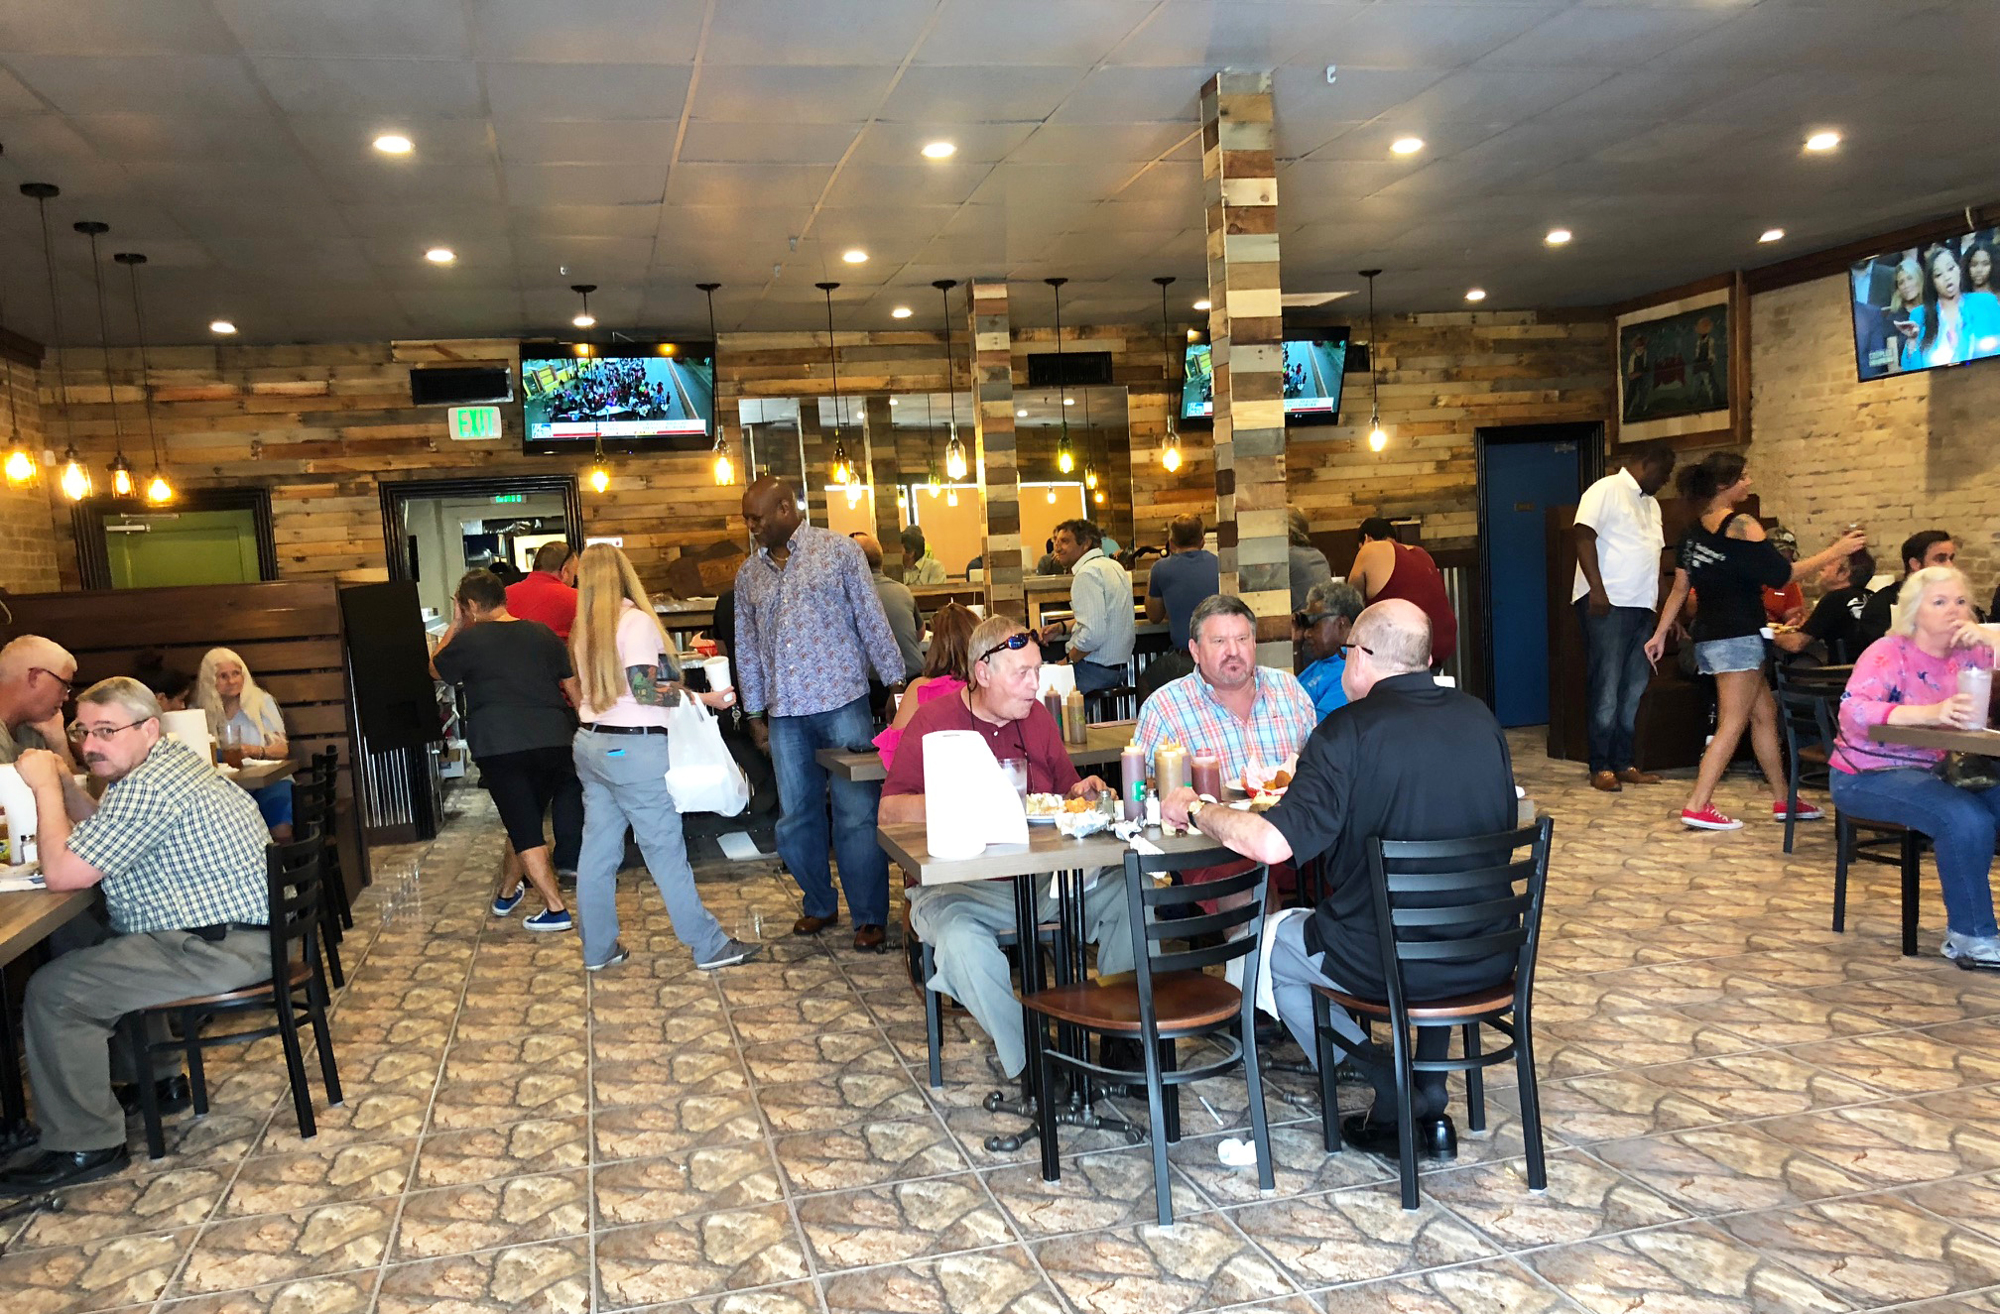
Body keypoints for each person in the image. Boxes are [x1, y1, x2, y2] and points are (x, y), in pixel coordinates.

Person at [1158, 600, 1517, 1160]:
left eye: (1348, 652)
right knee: (1424, 920)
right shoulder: (1481, 719)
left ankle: (1386, 1077)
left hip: (1385, 963)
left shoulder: (1347, 732)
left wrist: (1199, 809)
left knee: (1271, 946)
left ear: (1364, 658)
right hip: (1490, 954)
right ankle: (1429, 1085)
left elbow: (1272, 844)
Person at [0, 678, 271, 1193]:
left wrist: (41, 790)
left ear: (148, 728)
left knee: (56, 993)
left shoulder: (151, 785)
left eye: (107, 731)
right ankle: (156, 1082)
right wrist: (66, 788)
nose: (90, 744)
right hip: (231, 937)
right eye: (84, 731)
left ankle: (86, 1145)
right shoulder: (164, 769)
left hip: (218, 948)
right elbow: (105, 828)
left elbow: (63, 873)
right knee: (83, 940)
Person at [878, 616, 1127, 1078]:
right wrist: (968, 804)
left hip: (1045, 881)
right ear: (983, 672)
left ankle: (1122, 1043)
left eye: (1038, 671)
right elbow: (890, 811)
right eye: (1023, 673)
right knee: (960, 943)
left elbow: (1066, 788)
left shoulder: (1036, 720)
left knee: (1129, 898)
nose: (1035, 685)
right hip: (958, 888)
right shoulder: (935, 723)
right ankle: (1035, 1059)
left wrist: (1083, 792)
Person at [1645, 453, 1867, 830]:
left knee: (1764, 715)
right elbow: (1782, 574)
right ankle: (1698, 803)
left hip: (1710, 637)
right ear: (1722, 485)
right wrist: (1836, 552)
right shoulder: (1742, 524)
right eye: (1743, 477)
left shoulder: (1692, 532)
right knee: (1733, 722)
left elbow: (1680, 589)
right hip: (1738, 636)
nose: (1749, 482)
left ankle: (1785, 799)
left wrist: (1661, 631)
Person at [734, 476, 905, 952]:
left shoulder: (837, 552)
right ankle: (819, 903)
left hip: (843, 704)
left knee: (856, 814)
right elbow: (746, 650)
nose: (750, 527)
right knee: (797, 817)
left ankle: (869, 915)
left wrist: (894, 683)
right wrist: (753, 714)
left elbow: (871, 618)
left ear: (786, 508)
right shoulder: (749, 575)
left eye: (757, 518)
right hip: (785, 715)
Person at [568, 543, 756, 974]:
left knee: (597, 853)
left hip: (591, 744)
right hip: (632, 750)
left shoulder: (583, 627)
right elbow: (647, 689)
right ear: (625, 572)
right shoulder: (634, 623)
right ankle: (708, 945)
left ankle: (598, 949)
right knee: (665, 851)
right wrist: (705, 697)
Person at [1829, 566, 2000, 967]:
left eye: (1960, 601)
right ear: (1914, 611)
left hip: (1942, 768)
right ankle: (1969, 936)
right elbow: (1853, 713)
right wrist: (1931, 712)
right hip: (1866, 774)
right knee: (1965, 819)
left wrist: (1990, 636)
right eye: (1939, 602)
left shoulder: (1972, 651)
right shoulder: (1889, 652)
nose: (1953, 611)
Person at [1138, 595, 1317, 908]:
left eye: (1242, 639)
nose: (1233, 650)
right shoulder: (1165, 707)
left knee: (1352, 869)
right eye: (1219, 640)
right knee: (1249, 887)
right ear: (1195, 650)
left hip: (1292, 837)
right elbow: (1145, 795)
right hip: (1211, 846)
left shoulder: (1289, 691)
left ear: (1254, 643)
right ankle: (1258, 958)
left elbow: (1318, 769)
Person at [430, 569, 577, 932]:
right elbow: (573, 690)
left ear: (472, 605)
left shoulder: (470, 639)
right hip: (555, 739)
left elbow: (434, 669)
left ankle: (556, 908)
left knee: (525, 826)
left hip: (501, 744)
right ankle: (508, 891)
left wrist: (457, 623)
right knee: (523, 817)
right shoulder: (541, 632)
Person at [1572, 443, 1676, 792]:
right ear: (1646, 462)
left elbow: (1655, 558)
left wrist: (1665, 608)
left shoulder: (1653, 505)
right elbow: (1583, 537)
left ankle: (1624, 762)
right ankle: (1599, 765)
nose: (1666, 480)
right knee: (1606, 687)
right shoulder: (1605, 490)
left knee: (1633, 688)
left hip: (1642, 606)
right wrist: (1597, 590)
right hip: (1609, 603)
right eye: (1664, 472)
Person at [505, 542, 584, 877]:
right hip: (559, 708)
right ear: (564, 570)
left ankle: (524, 866)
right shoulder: (575, 600)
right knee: (569, 782)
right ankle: (568, 859)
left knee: (523, 792)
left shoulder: (504, 596)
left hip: (509, 711)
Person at [197, 648, 295, 842]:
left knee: (280, 827)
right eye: (223, 676)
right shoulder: (199, 711)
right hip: (224, 787)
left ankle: (285, 868)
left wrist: (254, 751)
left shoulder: (262, 702)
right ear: (210, 681)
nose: (232, 681)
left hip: (270, 780)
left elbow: (282, 750)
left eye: (236, 673)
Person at [872, 601, 978, 773]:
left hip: (927, 789)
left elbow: (895, 756)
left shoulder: (919, 689)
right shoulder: (987, 686)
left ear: (935, 644)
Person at [1038, 519, 1134, 695]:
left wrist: (1066, 662)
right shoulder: (1114, 566)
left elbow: (1093, 634)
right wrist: (1062, 627)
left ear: (1086, 544)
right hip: (1118, 670)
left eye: (1065, 541)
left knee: (1043, 699)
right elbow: (1103, 616)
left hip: (1093, 670)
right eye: (1055, 541)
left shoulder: (1086, 574)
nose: (1057, 548)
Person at [1349, 517, 1458, 667]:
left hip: (1401, 654)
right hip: (1439, 648)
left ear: (1367, 538)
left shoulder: (1370, 549)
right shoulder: (1422, 554)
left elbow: (1349, 602)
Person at [1900, 243, 2000, 369]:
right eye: (1938, 275)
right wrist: (1913, 341)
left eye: (1951, 268)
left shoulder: (1986, 302)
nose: (1947, 277)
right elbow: (1910, 370)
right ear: (1932, 283)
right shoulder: (1919, 315)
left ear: (1959, 269)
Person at [1857, 530, 1956, 650]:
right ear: (1915, 564)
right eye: (1940, 559)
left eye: (1951, 559)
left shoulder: (1955, 599)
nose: (1950, 566)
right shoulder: (1882, 604)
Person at [1775, 547, 1875, 664]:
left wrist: (1768, 636)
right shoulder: (1871, 596)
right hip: (1873, 669)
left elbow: (1796, 644)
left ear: (1844, 573)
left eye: (1830, 562)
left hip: (1846, 674)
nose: (1822, 566)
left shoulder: (1835, 599)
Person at [0, 635, 81, 770]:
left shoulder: (32, 729)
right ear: (35, 677)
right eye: (64, 684)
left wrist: (58, 741)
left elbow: (71, 788)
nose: (66, 697)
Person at [852, 532, 924, 682]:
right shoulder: (903, 591)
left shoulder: (851, 597)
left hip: (878, 683)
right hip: (914, 675)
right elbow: (920, 634)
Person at [1145, 514, 1220, 652]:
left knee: (1156, 672)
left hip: (1184, 655)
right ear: (1202, 542)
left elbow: (1154, 616)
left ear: (1171, 543)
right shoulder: (1220, 565)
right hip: (1218, 652)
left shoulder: (1160, 569)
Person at [1296, 579, 1366, 719]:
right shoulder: (1326, 661)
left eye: (1314, 624)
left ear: (1341, 623)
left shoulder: (1348, 672)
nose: (1307, 634)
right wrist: (1297, 645)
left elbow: (1320, 730)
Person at [505, 541, 579, 639]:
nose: (573, 582)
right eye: (574, 574)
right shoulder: (577, 598)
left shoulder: (504, 595)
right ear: (565, 571)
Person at [1286, 507, 1333, 613]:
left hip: (1302, 625)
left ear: (1288, 532)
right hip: (1327, 623)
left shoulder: (1287, 559)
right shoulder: (1318, 556)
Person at [1760, 526, 1808, 626]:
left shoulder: (1789, 583)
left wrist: (1795, 620)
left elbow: (1794, 614)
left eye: (1788, 558)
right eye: (1779, 555)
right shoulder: (1745, 577)